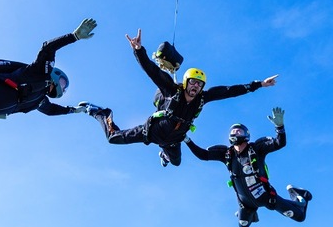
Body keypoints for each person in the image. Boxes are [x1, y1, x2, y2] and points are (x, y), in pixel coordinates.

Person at [77, 28, 278, 166]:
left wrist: (259, 84)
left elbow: (229, 91)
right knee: (113, 138)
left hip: (173, 141)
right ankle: (100, 112)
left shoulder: (202, 99)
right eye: (193, 82)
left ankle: (164, 154)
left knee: (176, 163)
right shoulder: (172, 90)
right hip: (151, 132)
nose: (196, 87)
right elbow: (152, 72)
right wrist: (139, 51)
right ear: (186, 82)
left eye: (199, 85)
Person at [184, 107, 312, 227]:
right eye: (232, 131)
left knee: (300, 217)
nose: (235, 133)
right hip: (246, 204)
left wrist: (280, 128)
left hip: (267, 198)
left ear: (246, 135)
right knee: (243, 226)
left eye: (238, 131)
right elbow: (203, 155)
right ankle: (250, 215)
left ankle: (300, 195)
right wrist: (187, 140)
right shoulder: (226, 154)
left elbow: (280, 143)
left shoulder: (257, 148)